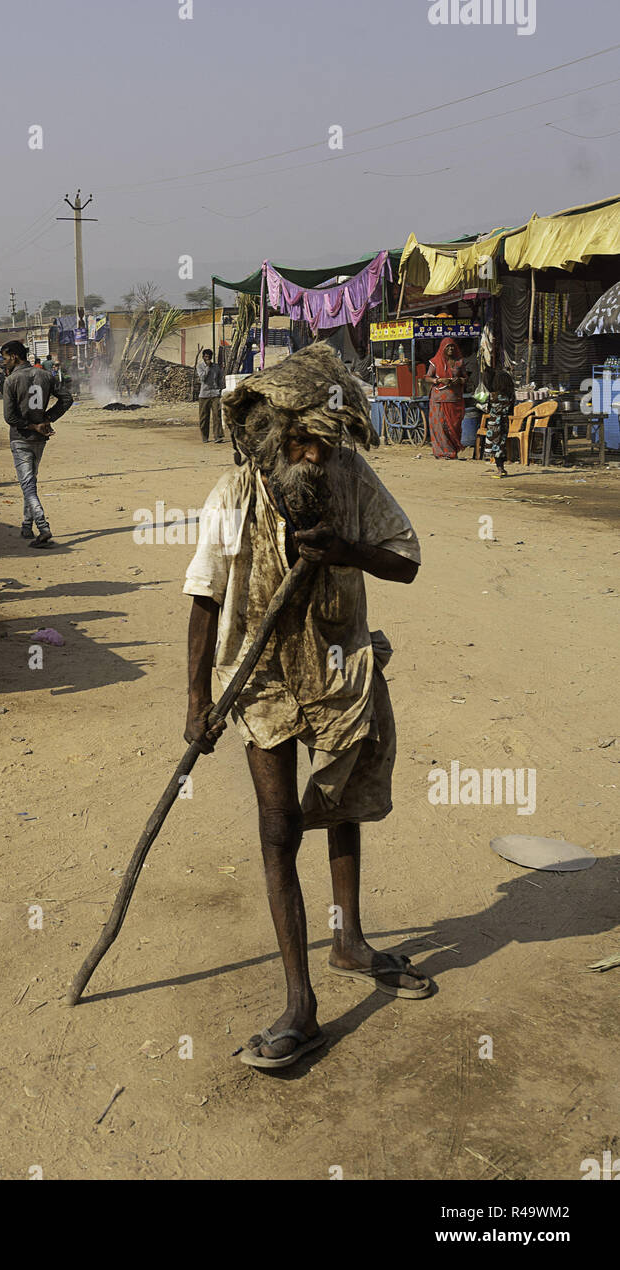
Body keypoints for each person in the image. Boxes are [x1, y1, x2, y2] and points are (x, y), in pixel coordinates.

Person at [182, 343, 428, 1071]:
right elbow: (203, 597)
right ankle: (301, 1004)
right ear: (269, 437)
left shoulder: (351, 478)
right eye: (301, 442)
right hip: (257, 680)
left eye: (324, 443)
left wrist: (348, 550)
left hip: (338, 666)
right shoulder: (232, 495)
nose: (314, 456)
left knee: (344, 803)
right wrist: (197, 698)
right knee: (278, 825)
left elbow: (407, 559)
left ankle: (348, 939)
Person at [1, 339, 73, 547]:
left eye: (5, 358)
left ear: (14, 356)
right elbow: (66, 399)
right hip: (40, 439)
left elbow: (10, 418)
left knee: (28, 485)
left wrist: (33, 426)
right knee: (30, 481)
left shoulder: (11, 381)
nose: (4, 363)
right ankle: (26, 525)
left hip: (21, 438)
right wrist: (46, 420)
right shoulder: (45, 375)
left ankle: (43, 528)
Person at [426, 336, 466, 459]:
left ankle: (453, 450)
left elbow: (465, 378)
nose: (450, 349)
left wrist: (459, 380)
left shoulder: (459, 362)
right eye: (447, 346)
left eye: (452, 346)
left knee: (454, 426)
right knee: (440, 425)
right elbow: (427, 377)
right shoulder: (435, 361)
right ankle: (443, 452)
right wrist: (439, 380)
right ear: (442, 348)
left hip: (454, 399)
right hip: (438, 399)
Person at [483, 365, 516, 477]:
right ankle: (502, 468)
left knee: (495, 447)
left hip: (493, 423)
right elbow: (511, 410)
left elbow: (487, 409)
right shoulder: (510, 396)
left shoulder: (492, 396)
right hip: (505, 423)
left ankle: (500, 469)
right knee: (501, 445)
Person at [196, 348, 225, 443]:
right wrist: (207, 367)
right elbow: (203, 378)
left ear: (211, 357)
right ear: (203, 357)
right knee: (204, 417)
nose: (207, 359)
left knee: (217, 415)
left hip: (215, 394)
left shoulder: (216, 367)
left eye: (209, 357)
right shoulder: (200, 366)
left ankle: (218, 436)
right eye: (205, 357)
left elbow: (220, 378)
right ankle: (204, 436)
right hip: (204, 395)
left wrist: (221, 389)